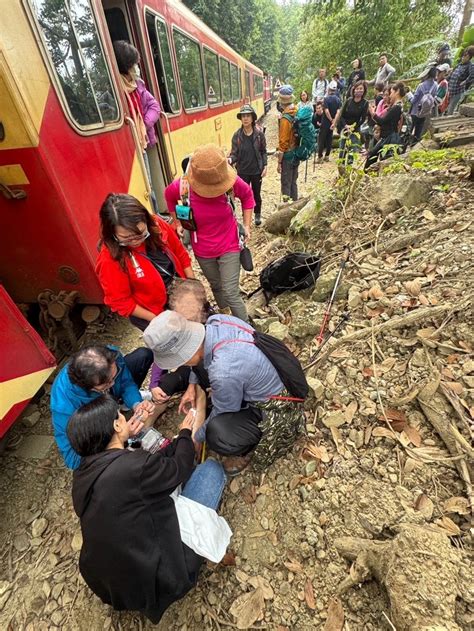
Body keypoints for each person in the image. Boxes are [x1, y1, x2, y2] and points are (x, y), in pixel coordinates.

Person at [68, 394, 228, 624]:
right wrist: (184, 433)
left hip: (111, 587)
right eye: (120, 416)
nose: (125, 417)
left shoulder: (82, 476)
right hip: (161, 577)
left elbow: (141, 467)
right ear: (116, 424)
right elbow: (179, 468)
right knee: (211, 470)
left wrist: (131, 441)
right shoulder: (132, 467)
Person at [143, 311, 306, 475]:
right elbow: (198, 359)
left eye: (180, 360)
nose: (180, 364)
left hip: (275, 404)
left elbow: (224, 410)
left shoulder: (223, 371)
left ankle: (246, 449)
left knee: (218, 434)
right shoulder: (216, 322)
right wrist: (192, 385)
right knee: (200, 370)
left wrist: (195, 437)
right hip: (273, 370)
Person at [96, 193, 194, 401]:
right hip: (148, 310)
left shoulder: (156, 226)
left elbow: (181, 253)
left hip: (178, 292)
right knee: (166, 342)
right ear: (112, 234)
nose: (136, 240)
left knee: (194, 331)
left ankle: (194, 371)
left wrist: (193, 286)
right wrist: (159, 319)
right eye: (127, 238)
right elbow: (121, 302)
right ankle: (158, 387)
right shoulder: (110, 259)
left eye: (140, 234)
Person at [165, 144, 254, 322]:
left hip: (229, 243)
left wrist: (246, 225)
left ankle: (248, 329)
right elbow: (168, 196)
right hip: (202, 248)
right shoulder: (183, 186)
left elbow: (248, 196)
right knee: (216, 285)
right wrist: (177, 222)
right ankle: (226, 315)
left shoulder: (231, 182)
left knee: (231, 292)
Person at [50, 345, 157, 469]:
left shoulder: (110, 356)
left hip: (107, 397)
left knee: (143, 355)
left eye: (114, 377)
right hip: (98, 423)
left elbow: (125, 382)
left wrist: (136, 403)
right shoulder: (64, 405)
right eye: (107, 383)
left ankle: (121, 403)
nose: (113, 383)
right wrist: (118, 438)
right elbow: (72, 458)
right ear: (88, 387)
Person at [113, 41, 161, 212]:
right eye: (134, 64)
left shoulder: (137, 86)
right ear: (126, 66)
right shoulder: (113, 89)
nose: (137, 68)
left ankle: (154, 216)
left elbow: (155, 106)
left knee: (148, 184)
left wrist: (144, 126)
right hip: (128, 145)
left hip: (141, 142)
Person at [229, 104, 267, 226]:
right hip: (242, 171)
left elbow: (263, 151)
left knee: (256, 194)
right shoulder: (237, 136)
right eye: (243, 116)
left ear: (252, 118)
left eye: (248, 116)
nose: (245, 118)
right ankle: (246, 216)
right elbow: (234, 154)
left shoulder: (259, 135)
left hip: (256, 171)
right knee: (243, 196)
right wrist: (229, 160)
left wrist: (265, 165)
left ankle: (257, 214)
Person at [365, 82, 407, 170]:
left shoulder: (397, 107)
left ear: (397, 92)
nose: (390, 96)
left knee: (382, 160)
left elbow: (382, 122)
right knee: (372, 155)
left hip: (389, 139)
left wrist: (372, 113)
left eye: (391, 93)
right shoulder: (396, 106)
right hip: (385, 137)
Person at [336, 80, 368, 166]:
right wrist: (346, 125)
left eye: (361, 89)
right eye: (357, 89)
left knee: (352, 149)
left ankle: (349, 168)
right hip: (345, 127)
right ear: (354, 90)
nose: (359, 90)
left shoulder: (365, 103)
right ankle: (341, 167)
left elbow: (363, 118)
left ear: (364, 90)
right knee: (342, 148)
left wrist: (353, 127)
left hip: (355, 128)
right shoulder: (348, 101)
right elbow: (341, 115)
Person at [277, 85, 300, 202]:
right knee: (293, 182)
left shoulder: (285, 119)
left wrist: (279, 162)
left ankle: (286, 209)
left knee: (286, 183)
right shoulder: (296, 111)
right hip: (296, 152)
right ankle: (295, 205)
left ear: (282, 102)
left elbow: (283, 143)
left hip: (288, 155)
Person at [408, 66, 438, 143]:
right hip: (425, 111)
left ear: (427, 74)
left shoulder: (421, 86)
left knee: (411, 128)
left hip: (415, 111)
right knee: (419, 129)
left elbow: (413, 101)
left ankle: (408, 143)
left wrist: (409, 94)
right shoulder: (435, 85)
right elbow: (433, 97)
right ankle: (415, 143)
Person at [317, 80, 341, 162]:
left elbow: (326, 111)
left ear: (329, 89)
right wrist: (334, 122)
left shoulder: (326, 99)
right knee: (329, 139)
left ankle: (320, 157)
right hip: (332, 123)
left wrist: (330, 119)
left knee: (321, 139)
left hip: (325, 122)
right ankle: (327, 156)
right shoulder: (338, 99)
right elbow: (338, 112)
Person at [447, 46, 474, 115]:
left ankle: (449, 121)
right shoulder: (459, 64)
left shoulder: (470, 66)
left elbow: (472, 76)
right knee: (448, 107)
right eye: (463, 56)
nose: (463, 58)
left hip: (458, 91)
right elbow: (451, 74)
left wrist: (464, 82)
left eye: (466, 56)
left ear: (469, 57)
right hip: (450, 90)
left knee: (451, 108)